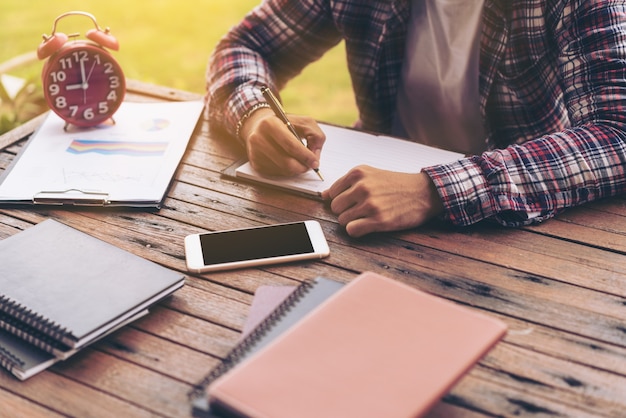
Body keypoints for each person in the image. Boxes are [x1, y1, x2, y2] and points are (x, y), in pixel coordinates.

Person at [206, 0, 626, 238]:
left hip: (519, 227)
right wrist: (255, 113)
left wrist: (433, 190)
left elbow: (617, 134)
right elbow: (246, 45)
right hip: (364, 216)